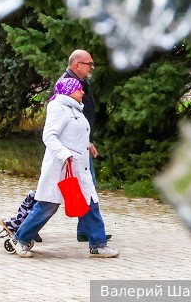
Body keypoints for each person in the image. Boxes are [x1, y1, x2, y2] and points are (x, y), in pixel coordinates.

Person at [10, 77, 119, 258]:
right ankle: (20, 239)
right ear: (69, 90)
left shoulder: (75, 108)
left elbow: (73, 134)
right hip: (61, 168)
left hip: (79, 168)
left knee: (90, 204)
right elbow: (49, 136)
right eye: (79, 89)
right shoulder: (58, 108)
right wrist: (64, 154)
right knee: (48, 206)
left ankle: (98, 245)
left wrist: (88, 145)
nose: (82, 92)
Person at [59, 49, 111, 243]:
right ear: (76, 65)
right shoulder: (66, 84)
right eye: (89, 63)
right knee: (53, 194)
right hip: (71, 149)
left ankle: (87, 231)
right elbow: (62, 121)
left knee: (85, 187)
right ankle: (23, 227)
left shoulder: (82, 83)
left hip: (81, 144)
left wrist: (87, 140)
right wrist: (81, 142)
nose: (92, 67)